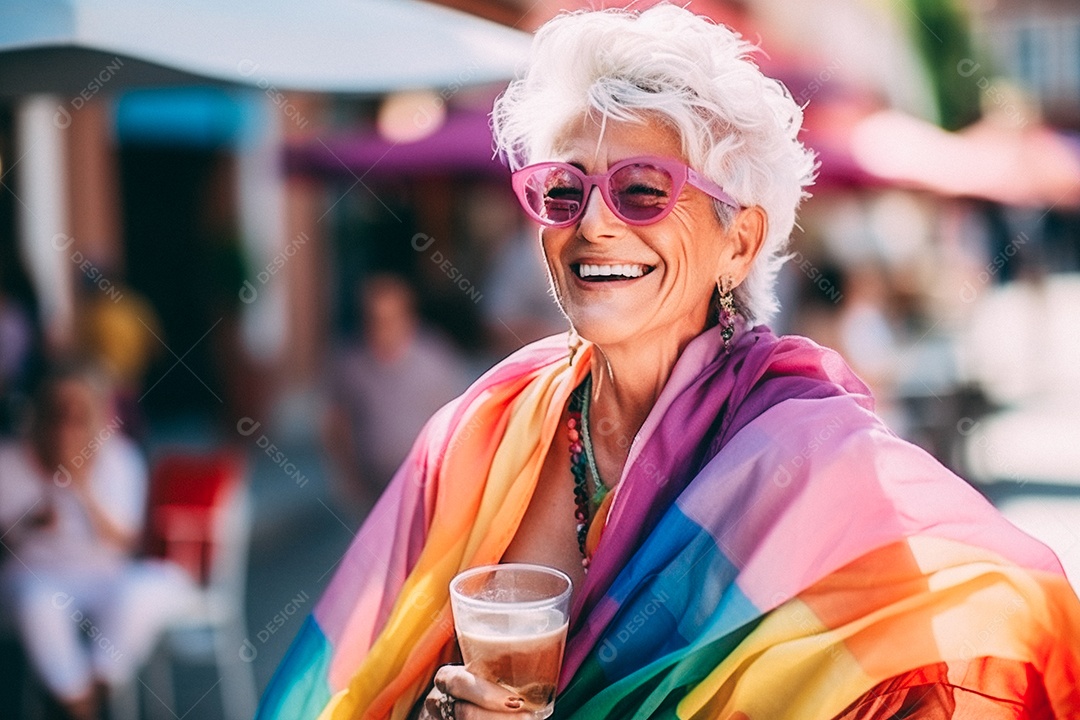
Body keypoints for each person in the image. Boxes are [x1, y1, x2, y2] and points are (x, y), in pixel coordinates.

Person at [258, 6, 1080, 719]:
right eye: (563, 190)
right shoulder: (482, 431)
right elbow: (370, 680)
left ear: (741, 239)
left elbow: (990, 635)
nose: (595, 226)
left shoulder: (812, 461)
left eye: (644, 190)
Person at [0, 359, 195, 720]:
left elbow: (126, 542)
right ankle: (77, 701)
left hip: (104, 574)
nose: (66, 428)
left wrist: (82, 488)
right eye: (56, 414)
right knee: (37, 603)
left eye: (79, 416)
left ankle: (95, 686)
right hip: (37, 574)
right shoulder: (8, 461)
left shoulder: (121, 459)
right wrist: (28, 523)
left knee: (147, 589)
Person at [323, 274, 472, 514]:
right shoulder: (351, 364)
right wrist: (348, 479)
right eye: (374, 320)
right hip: (374, 489)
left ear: (408, 318)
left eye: (390, 319)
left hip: (424, 486)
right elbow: (337, 425)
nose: (382, 328)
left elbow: (458, 420)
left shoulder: (434, 358)